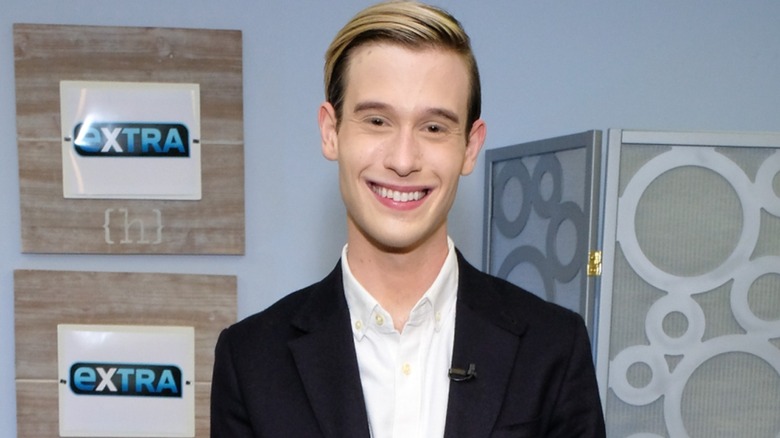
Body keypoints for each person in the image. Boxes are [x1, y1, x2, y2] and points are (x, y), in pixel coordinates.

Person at [210, 1, 606, 437]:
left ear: (470, 147)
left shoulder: (552, 347)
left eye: (434, 127)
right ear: (330, 131)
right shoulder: (251, 359)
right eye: (377, 121)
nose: (403, 160)